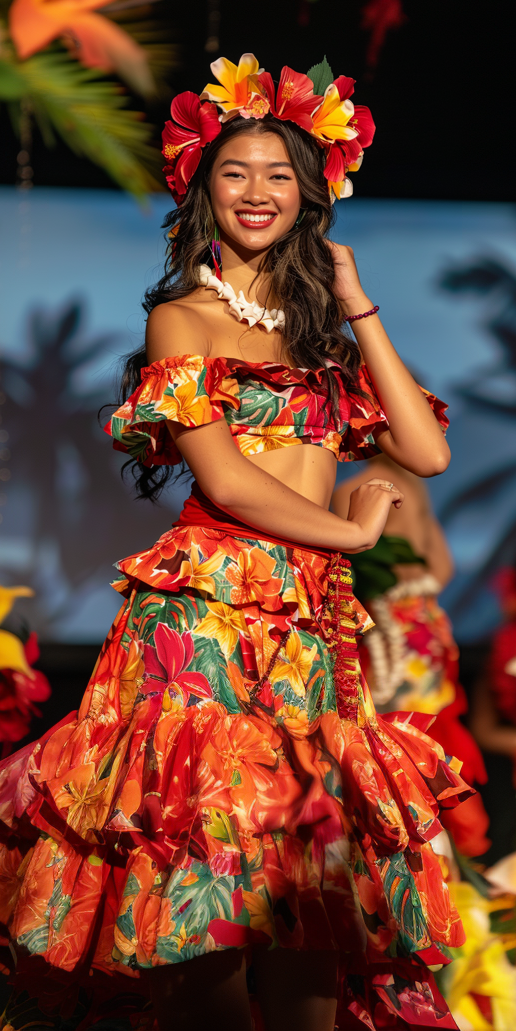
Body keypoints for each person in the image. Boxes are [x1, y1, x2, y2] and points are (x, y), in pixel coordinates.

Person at [0, 55, 471, 1031]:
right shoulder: (184, 315)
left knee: (307, 906)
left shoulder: (327, 342)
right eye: (235, 173)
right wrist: (348, 527)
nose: (257, 191)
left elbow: (422, 447)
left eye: (280, 176)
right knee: (203, 903)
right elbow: (223, 477)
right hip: (206, 618)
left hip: (308, 633)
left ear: (310, 197)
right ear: (202, 189)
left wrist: (354, 299)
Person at [332, 455, 490, 859]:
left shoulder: (357, 489)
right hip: (428, 623)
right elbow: (442, 568)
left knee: (398, 740)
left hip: (391, 629)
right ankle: (446, 862)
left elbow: (337, 574)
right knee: (431, 732)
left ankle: (416, 859)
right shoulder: (412, 487)